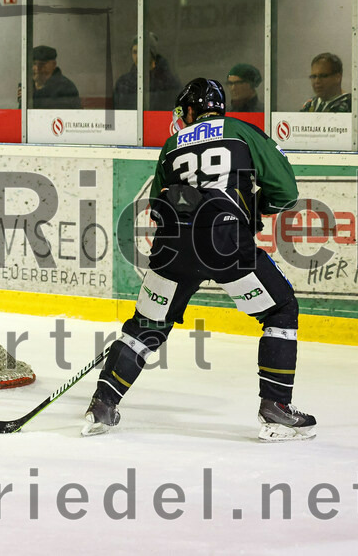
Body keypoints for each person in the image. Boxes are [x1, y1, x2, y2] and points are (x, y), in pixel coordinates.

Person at [83, 78, 315, 442]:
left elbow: (157, 208)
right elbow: (286, 192)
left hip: (172, 248)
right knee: (280, 310)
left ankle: (103, 404)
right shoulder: (243, 132)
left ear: (190, 110)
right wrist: (254, 210)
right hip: (225, 244)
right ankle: (276, 407)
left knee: (147, 326)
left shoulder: (173, 144)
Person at [113, 33, 181, 111]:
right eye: (135, 52)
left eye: (142, 51)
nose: (138, 56)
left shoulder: (168, 82)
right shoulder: (123, 83)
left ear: (152, 54)